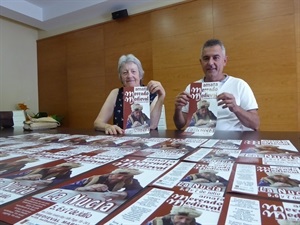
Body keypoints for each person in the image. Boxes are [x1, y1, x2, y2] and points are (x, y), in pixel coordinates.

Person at [173, 39, 259, 131]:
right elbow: (180, 125)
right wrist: (178, 109)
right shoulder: (192, 88)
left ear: (225, 61)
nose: (210, 63)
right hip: (199, 140)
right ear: (201, 62)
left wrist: (236, 108)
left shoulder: (239, 85)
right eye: (206, 58)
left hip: (232, 140)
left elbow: (255, 124)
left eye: (216, 57)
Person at [94, 54, 165, 135]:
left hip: (147, 141)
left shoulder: (151, 93)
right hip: (122, 142)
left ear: (140, 75)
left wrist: (161, 96)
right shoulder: (115, 93)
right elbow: (97, 123)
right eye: (125, 73)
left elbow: (152, 125)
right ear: (121, 77)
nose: (129, 75)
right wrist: (107, 126)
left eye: (133, 71)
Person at [62, 168, 143, 199]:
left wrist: (124, 194)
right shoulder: (95, 178)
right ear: (111, 174)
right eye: (119, 175)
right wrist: (83, 188)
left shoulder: (128, 181)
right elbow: (64, 187)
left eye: (125, 176)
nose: (121, 178)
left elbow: (139, 191)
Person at [11, 162, 81, 185]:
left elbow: (64, 179)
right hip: (41, 173)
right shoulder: (52, 165)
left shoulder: (66, 172)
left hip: (44, 177)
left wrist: (50, 182)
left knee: (38, 176)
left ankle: (27, 178)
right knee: (37, 175)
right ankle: (25, 177)